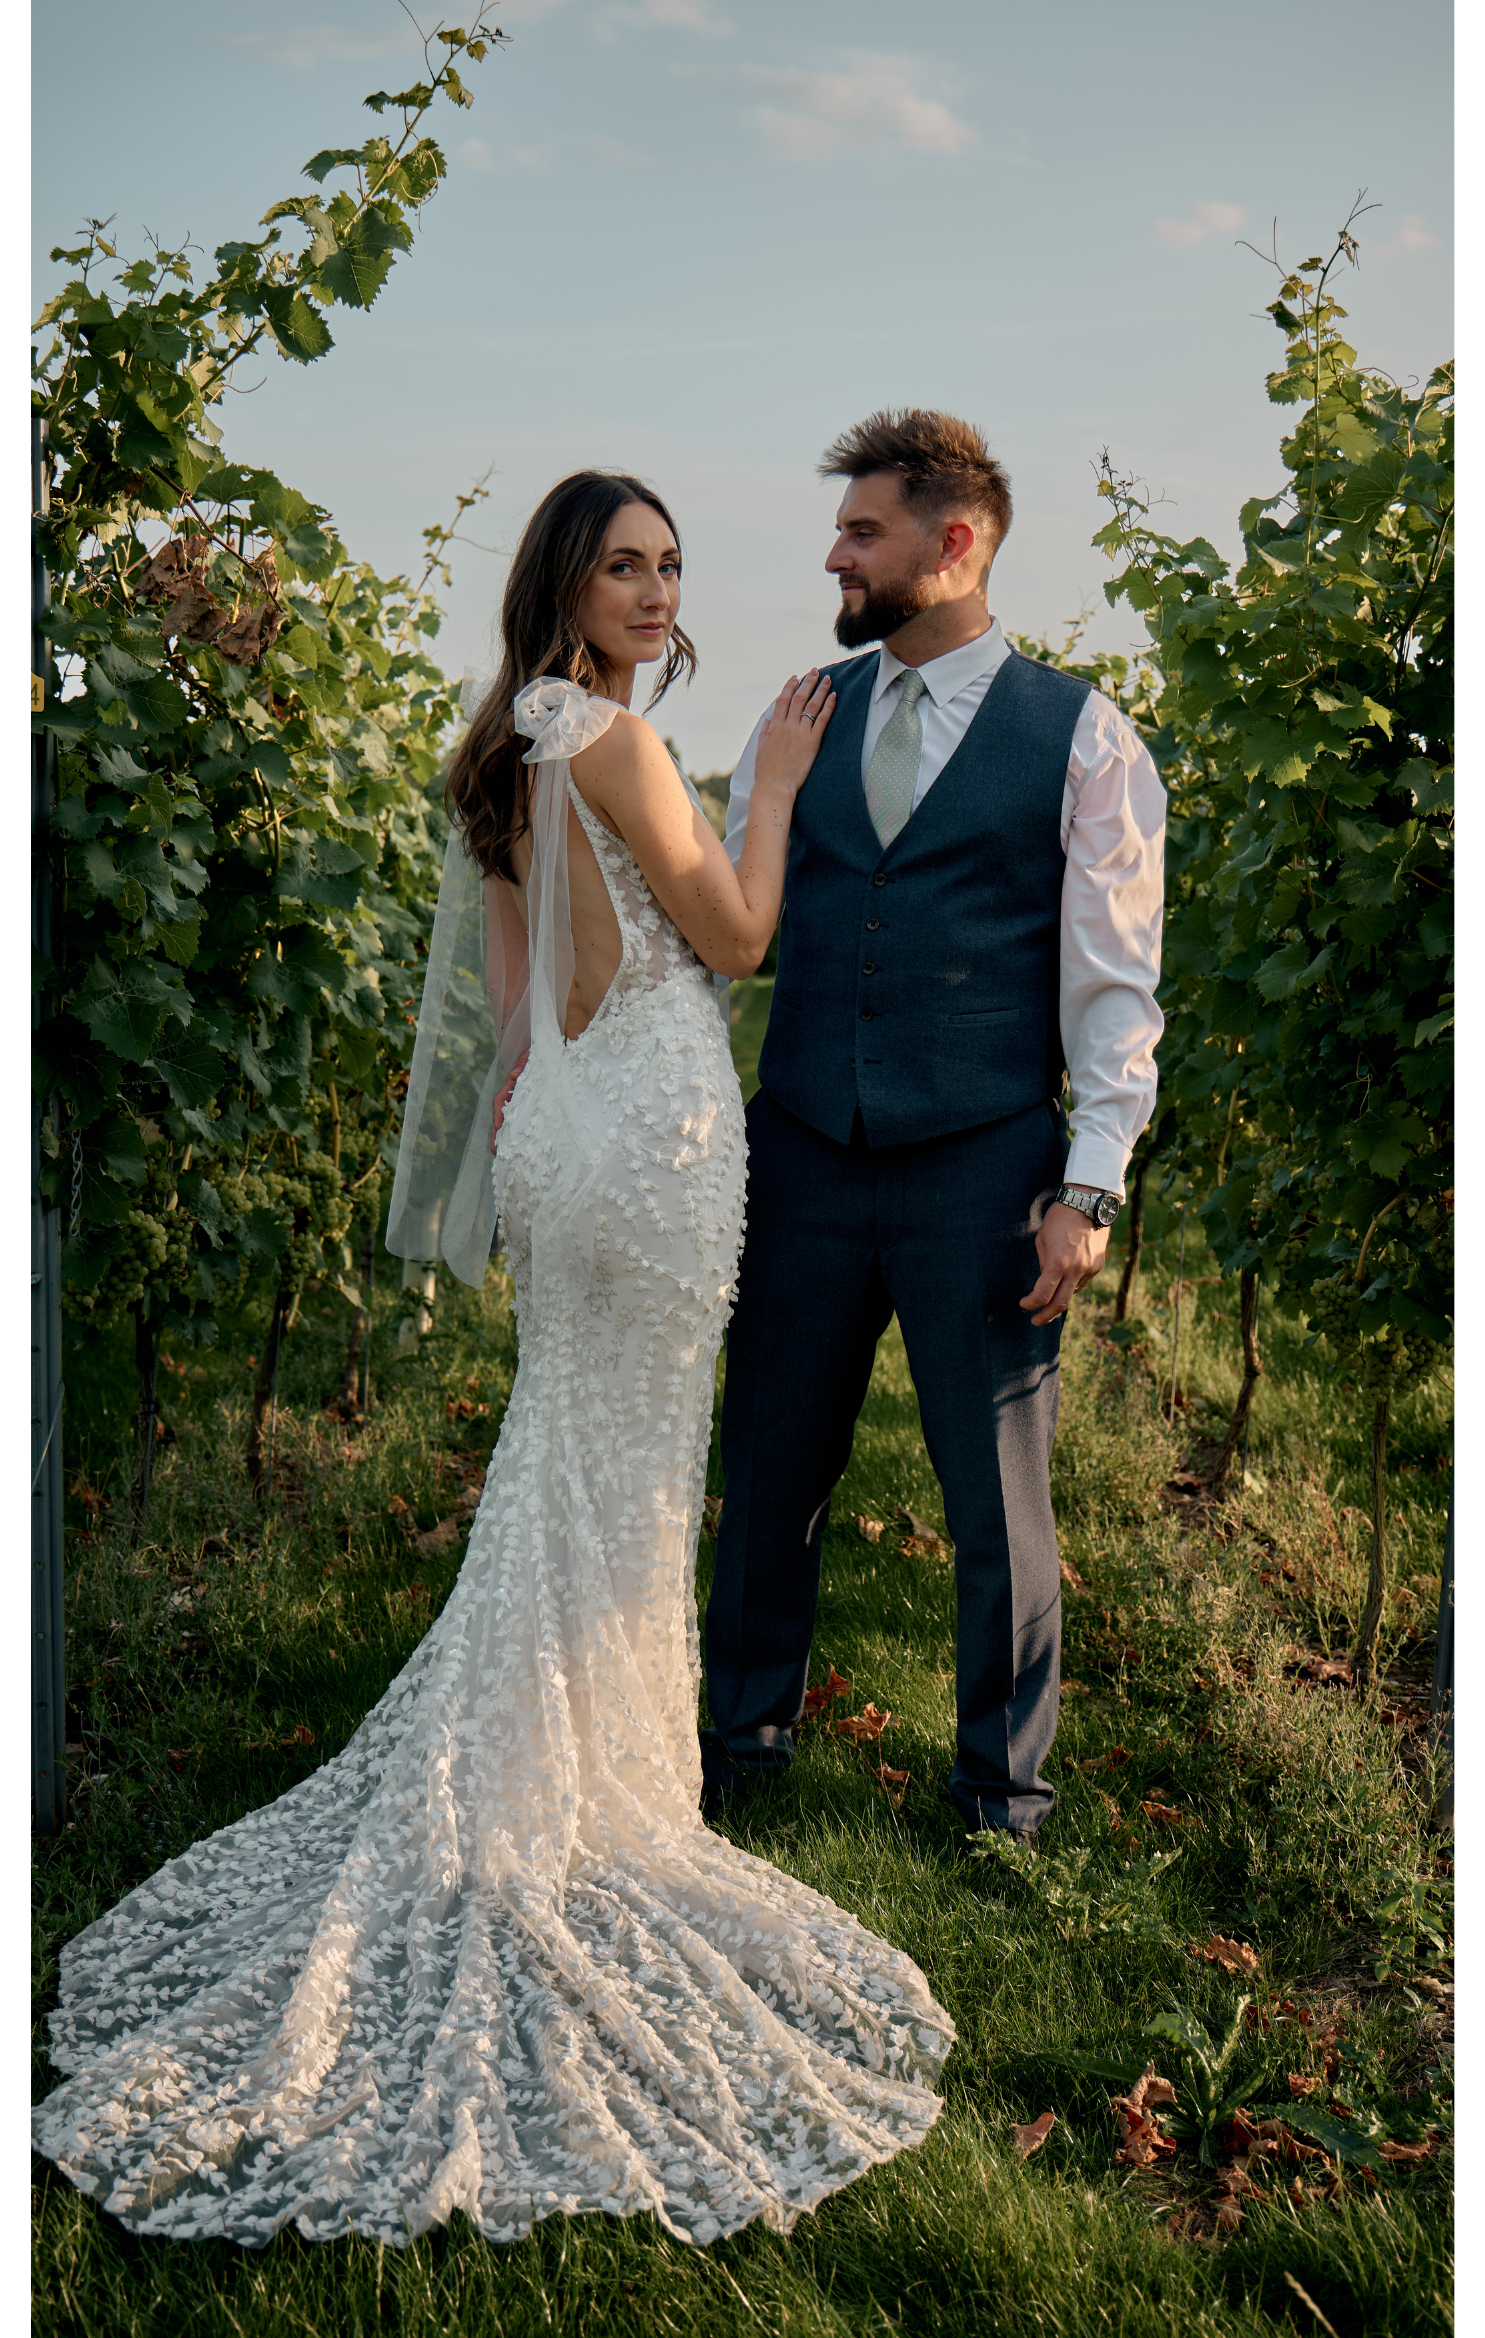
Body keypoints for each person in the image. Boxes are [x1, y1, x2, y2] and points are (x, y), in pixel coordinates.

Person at [32, 471, 954, 2251]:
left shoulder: (504, 749)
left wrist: (541, 1148)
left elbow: (535, 1011)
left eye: (670, 563)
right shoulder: (608, 742)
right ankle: (586, 1807)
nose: (656, 586)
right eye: (626, 563)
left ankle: (555, 1771)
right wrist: (769, 784)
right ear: (567, 582)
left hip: (567, 1136)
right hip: (659, 1137)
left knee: (570, 1459)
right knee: (622, 1474)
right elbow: (738, 943)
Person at [703, 410, 1166, 1839]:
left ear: (954, 543)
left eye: (864, 532)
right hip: (803, 1152)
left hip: (985, 1166)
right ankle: (738, 1743)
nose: (833, 555)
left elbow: (1114, 985)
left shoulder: (1082, 737)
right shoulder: (801, 718)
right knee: (768, 1465)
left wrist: (1087, 1189)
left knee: (996, 1504)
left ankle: (999, 1796)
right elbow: (734, 918)